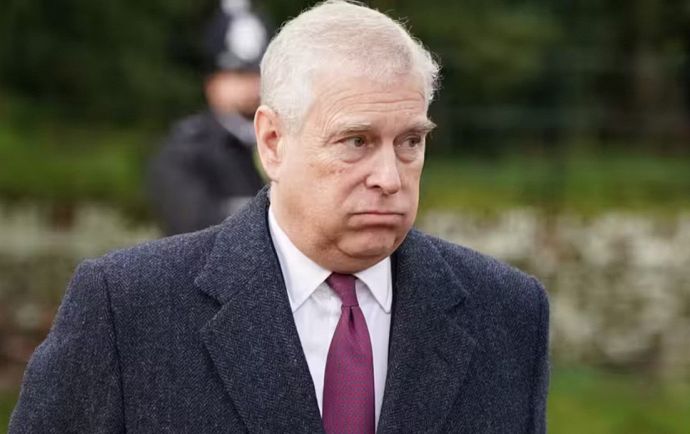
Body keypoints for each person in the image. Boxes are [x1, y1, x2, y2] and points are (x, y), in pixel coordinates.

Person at [10, 1, 549, 432]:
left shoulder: (509, 313)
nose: (389, 177)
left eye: (410, 141)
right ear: (272, 141)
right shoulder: (127, 309)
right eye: (356, 141)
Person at [148, 0, 269, 235]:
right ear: (212, 82)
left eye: (259, 73)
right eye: (239, 74)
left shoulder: (286, 143)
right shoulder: (185, 151)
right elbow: (193, 227)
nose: (253, 84)